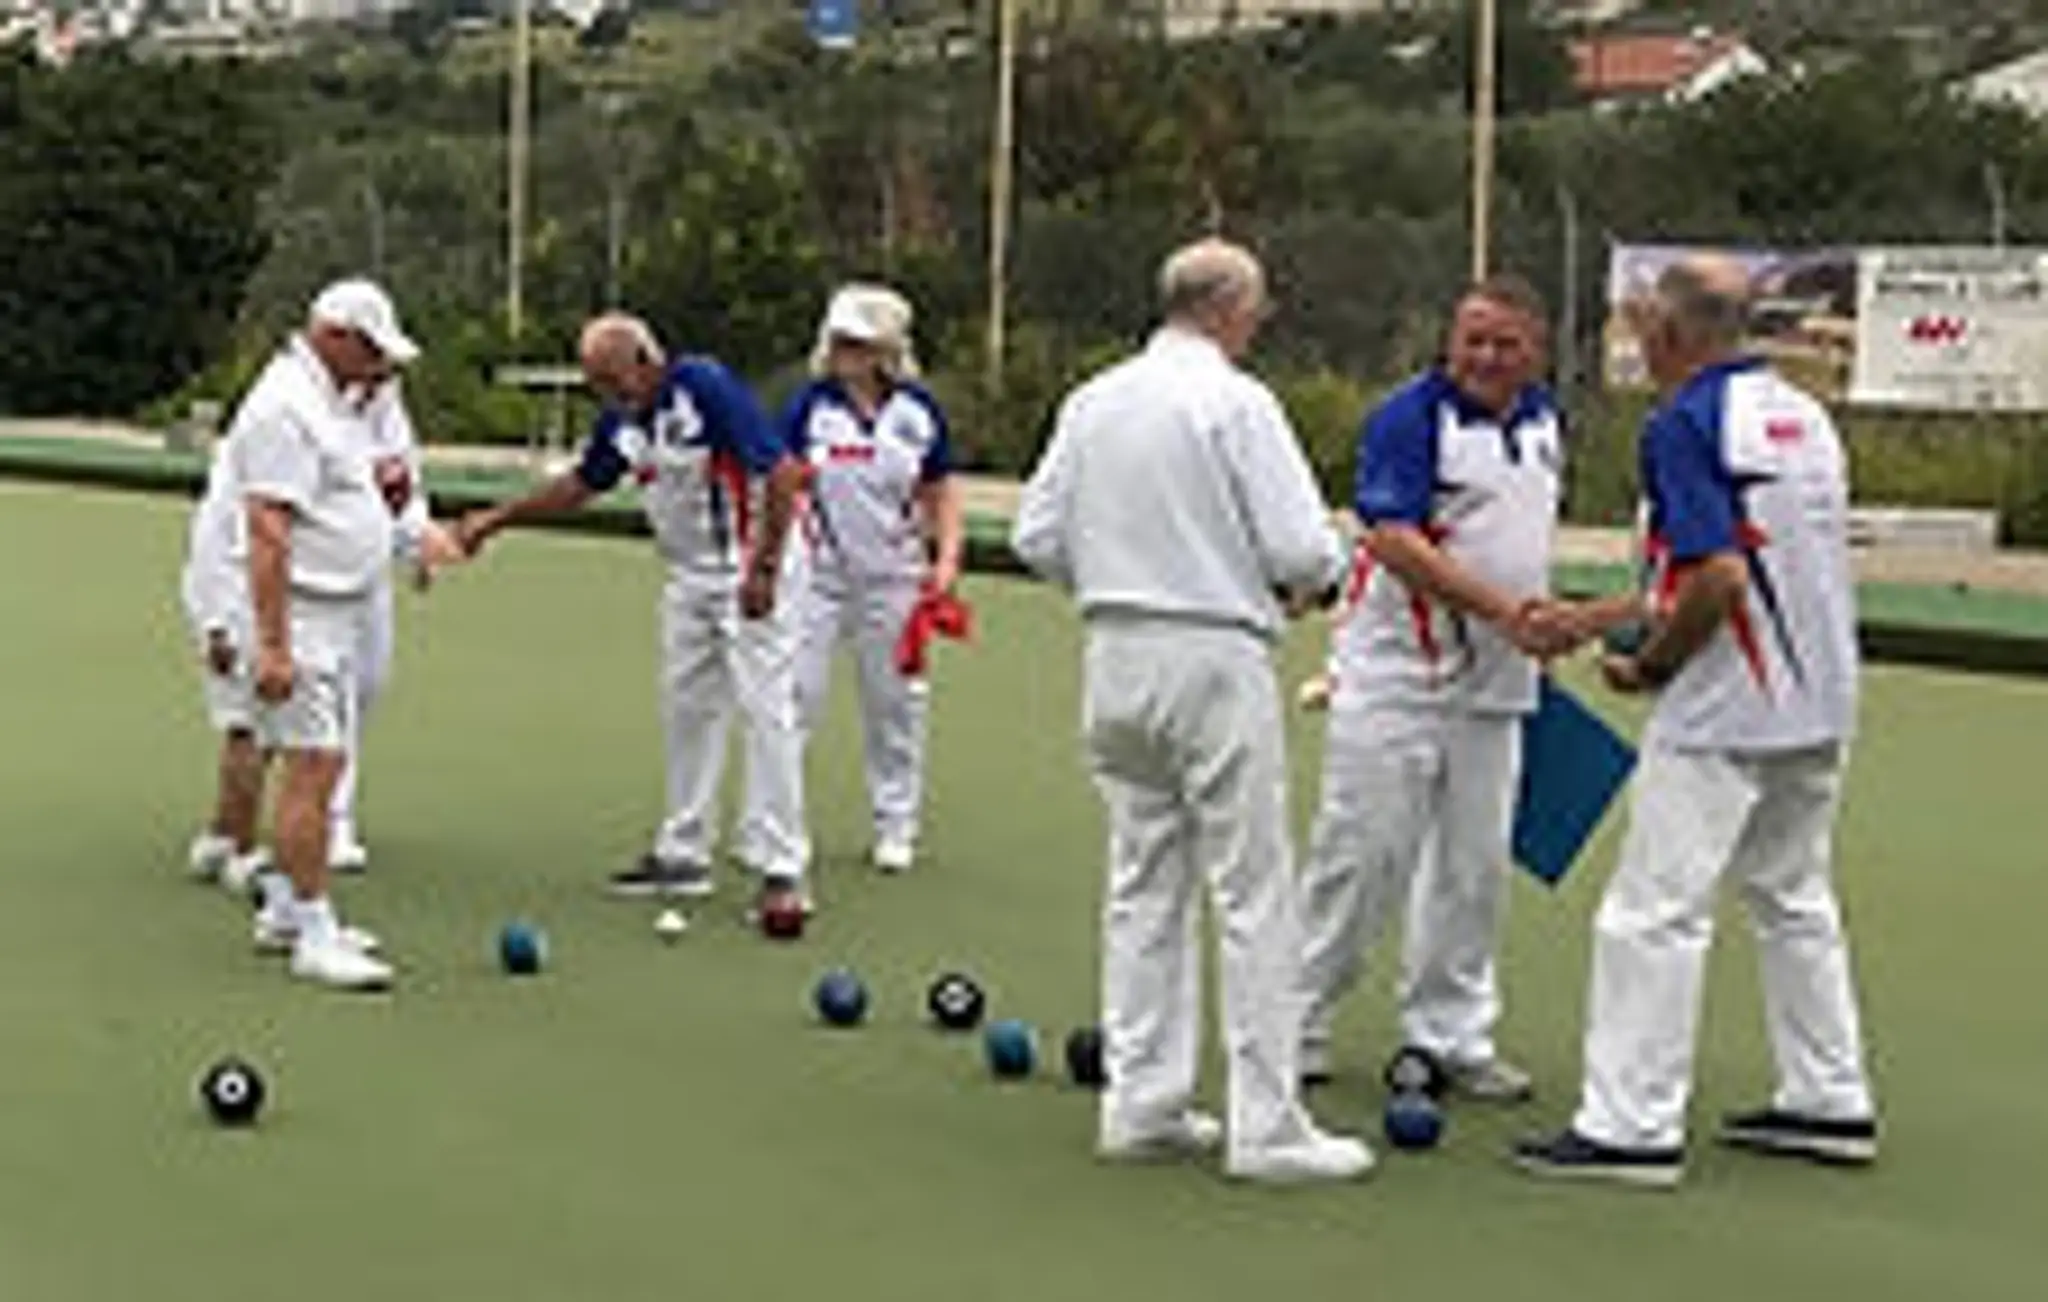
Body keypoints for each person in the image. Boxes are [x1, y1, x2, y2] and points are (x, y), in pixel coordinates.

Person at [1012, 237, 1373, 1184]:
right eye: (1257, 309)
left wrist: (1114, 579)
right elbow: (1302, 548)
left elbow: (1035, 533)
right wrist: (1307, 577)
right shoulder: (1238, 402)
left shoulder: (1093, 400)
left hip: (1115, 653)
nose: (1261, 324)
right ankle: (1269, 1125)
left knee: (1144, 882)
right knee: (1253, 889)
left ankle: (1143, 1102)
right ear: (1229, 309)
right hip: (1214, 652)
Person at [1515, 255, 1878, 1188]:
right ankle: (1828, 1099)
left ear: (1672, 335)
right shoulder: (1805, 416)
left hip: (1726, 707)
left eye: (1643, 328)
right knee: (1794, 898)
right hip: (1822, 700)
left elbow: (1716, 578)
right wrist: (1603, 617)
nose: (1638, 342)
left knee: (1652, 911)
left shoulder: (1686, 422)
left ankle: (1630, 1124)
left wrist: (1649, 665)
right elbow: (1739, 566)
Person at [1291, 275, 1570, 1101]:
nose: (1485, 356)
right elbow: (1395, 538)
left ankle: (1451, 1033)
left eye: (1504, 343)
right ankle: (1294, 1020)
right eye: (1472, 339)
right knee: (1364, 854)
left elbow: (1519, 542)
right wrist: (1503, 612)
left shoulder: (1548, 420)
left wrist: (1539, 625)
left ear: (1537, 351)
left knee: (1474, 867)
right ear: (1450, 341)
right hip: (1397, 677)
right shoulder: (1409, 418)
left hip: (1498, 684)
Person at [454, 313, 812, 917]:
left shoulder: (703, 387)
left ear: (648, 361)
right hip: (688, 576)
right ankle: (683, 852)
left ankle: (784, 870)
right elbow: (582, 484)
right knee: (687, 708)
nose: (611, 396)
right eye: (598, 385)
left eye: (616, 381)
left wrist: (765, 570)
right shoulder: (623, 420)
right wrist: (498, 518)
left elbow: (780, 472)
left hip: (750, 566)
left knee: (766, 710)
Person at [205, 278, 421, 990]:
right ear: (335, 336)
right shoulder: (284, 408)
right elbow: (267, 530)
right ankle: (314, 932)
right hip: (298, 616)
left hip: (327, 610)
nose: (380, 369)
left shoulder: (329, 400)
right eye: (371, 351)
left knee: (318, 765)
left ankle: (289, 913)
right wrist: (272, 644)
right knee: (314, 768)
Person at [784, 284, 964, 875]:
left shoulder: (917, 412)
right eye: (839, 340)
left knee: (894, 707)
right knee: (794, 698)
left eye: (857, 341)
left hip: (895, 579)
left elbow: (942, 488)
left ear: (884, 348)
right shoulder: (808, 407)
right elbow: (779, 478)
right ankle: (779, 825)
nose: (845, 351)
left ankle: (896, 826)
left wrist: (946, 562)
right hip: (817, 576)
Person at [326, 374, 457, 873]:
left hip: (370, 570)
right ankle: (332, 818)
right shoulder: (305, 404)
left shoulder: (387, 407)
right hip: (317, 575)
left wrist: (416, 542)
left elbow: (403, 483)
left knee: (367, 685)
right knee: (331, 693)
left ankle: (315, 800)